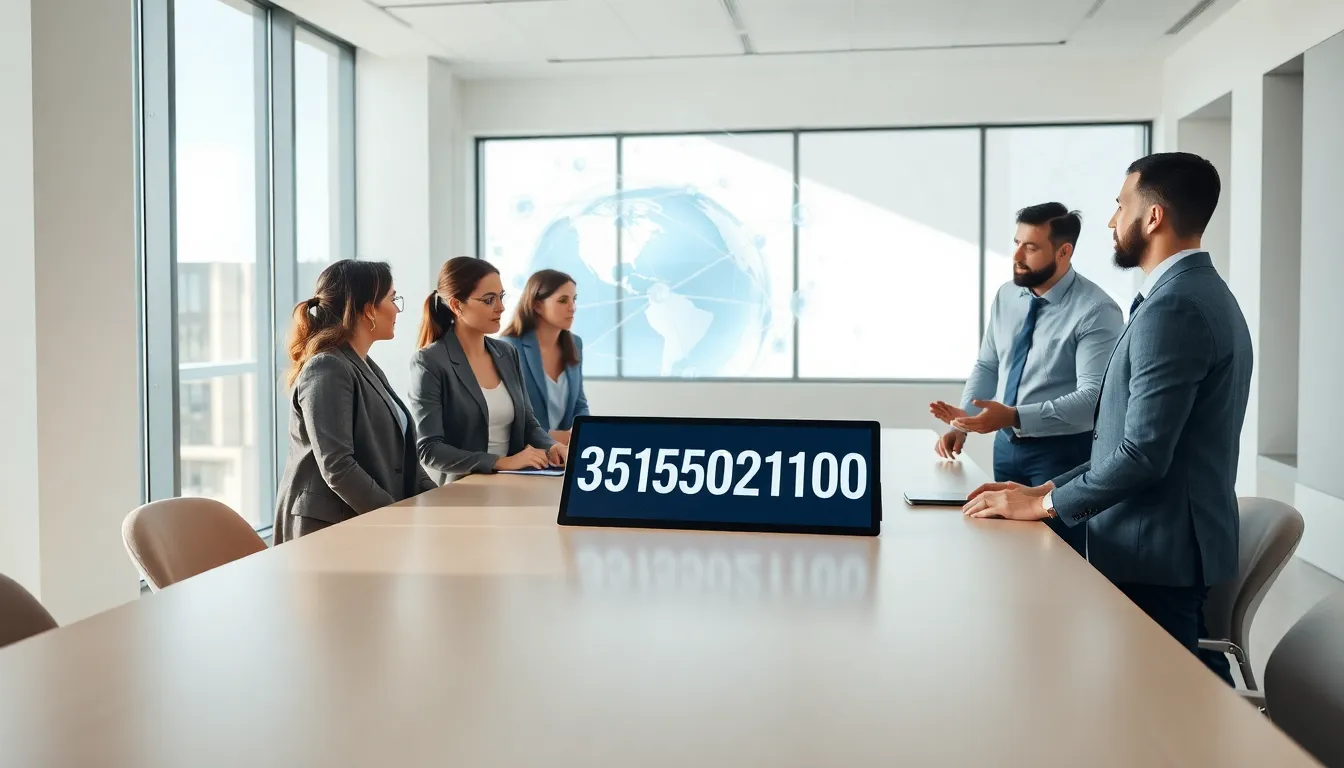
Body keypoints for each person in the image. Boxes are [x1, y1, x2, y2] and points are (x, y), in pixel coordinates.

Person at [962, 152, 1250, 687]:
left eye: (1121, 205)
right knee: (1169, 700)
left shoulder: (1176, 307)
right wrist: (1042, 490)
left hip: (1155, 551)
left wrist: (1045, 502)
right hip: (1154, 544)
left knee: (1173, 704)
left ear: (1154, 217)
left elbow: (1142, 454)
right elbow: (1121, 440)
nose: (1114, 220)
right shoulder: (1185, 294)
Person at [930, 202, 1123, 555]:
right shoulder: (1007, 295)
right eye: (1017, 242)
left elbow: (1094, 398)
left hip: (1063, 456)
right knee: (1009, 552)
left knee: (1060, 558)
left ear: (1064, 251)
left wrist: (1014, 415)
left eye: (1031, 247)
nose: (1017, 255)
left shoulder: (1097, 311)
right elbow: (988, 364)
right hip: (1006, 447)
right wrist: (963, 421)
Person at [272, 260, 436, 544]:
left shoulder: (365, 365)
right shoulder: (327, 367)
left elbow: (401, 456)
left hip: (365, 520)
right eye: (392, 298)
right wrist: (394, 515)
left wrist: (438, 500)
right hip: (328, 532)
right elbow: (337, 466)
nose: (397, 308)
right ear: (368, 309)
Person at [408, 256, 567, 484]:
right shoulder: (429, 362)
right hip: (463, 490)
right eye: (488, 300)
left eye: (501, 297)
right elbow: (429, 449)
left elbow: (529, 424)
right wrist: (500, 462)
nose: (501, 307)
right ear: (456, 305)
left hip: (514, 484)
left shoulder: (506, 353)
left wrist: (553, 446)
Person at [500, 269, 590, 446]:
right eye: (563, 300)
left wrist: (583, 431)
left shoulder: (575, 344)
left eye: (574, 299)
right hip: (525, 453)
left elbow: (580, 403)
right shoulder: (509, 346)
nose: (572, 307)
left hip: (564, 454)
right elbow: (508, 415)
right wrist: (553, 438)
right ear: (537, 306)